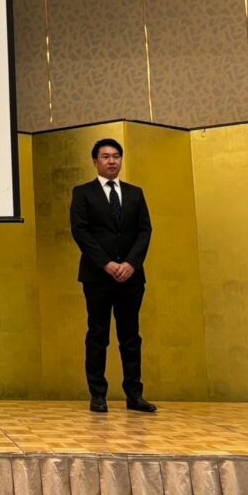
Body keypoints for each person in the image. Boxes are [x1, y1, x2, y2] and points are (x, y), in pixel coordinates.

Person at [70, 138, 156, 414]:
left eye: (116, 156)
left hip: (131, 277)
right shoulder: (83, 193)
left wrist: (131, 263)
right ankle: (98, 395)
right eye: (105, 156)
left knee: (130, 336)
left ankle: (135, 395)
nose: (111, 161)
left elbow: (145, 230)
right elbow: (80, 231)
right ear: (95, 161)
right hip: (97, 277)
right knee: (98, 335)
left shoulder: (135, 193)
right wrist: (105, 263)